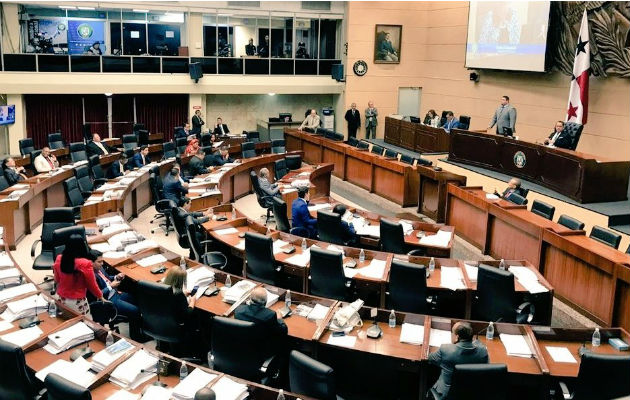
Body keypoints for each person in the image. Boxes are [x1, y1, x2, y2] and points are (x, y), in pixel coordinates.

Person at [427, 322, 489, 399]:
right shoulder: (483, 351)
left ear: (457, 337)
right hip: (471, 394)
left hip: (446, 395)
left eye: (452, 333)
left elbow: (430, 358)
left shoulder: (445, 349)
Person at [52, 234, 104, 316]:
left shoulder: (59, 258)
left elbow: (56, 280)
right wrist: (100, 296)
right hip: (77, 302)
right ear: (83, 246)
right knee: (86, 324)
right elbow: (92, 284)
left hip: (61, 299)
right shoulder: (85, 263)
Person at [90, 250, 139, 320]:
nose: (102, 263)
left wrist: (116, 277)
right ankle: (135, 330)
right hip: (109, 299)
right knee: (135, 310)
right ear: (91, 262)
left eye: (102, 261)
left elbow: (106, 278)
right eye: (99, 262)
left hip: (115, 293)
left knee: (136, 299)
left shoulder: (99, 268)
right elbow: (97, 295)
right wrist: (111, 286)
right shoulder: (90, 276)